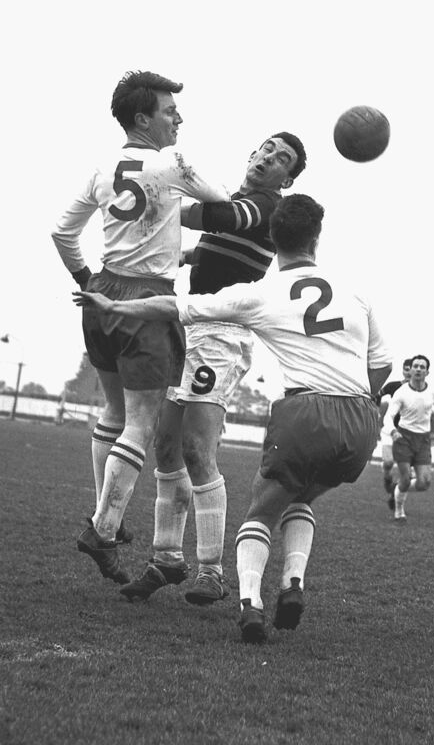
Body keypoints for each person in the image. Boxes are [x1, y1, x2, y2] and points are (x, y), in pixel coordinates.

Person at [73, 193, 393, 643]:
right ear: (316, 238)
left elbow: (172, 307)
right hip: (360, 417)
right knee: (288, 493)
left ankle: (240, 596)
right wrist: (362, 403)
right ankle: (261, 577)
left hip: (293, 402)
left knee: (250, 504)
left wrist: (114, 305)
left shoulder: (261, 292)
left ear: (272, 240)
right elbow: (382, 365)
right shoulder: (355, 291)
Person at [52, 70, 229, 585]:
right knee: (142, 423)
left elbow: (61, 232)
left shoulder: (101, 168)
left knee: (113, 412)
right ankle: (102, 530)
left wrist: (86, 279)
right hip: (147, 299)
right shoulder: (171, 163)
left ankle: (105, 514)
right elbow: (220, 197)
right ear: (142, 118)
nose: (179, 118)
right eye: (170, 111)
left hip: (102, 293)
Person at [120, 131, 307, 606]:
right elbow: (205, 252)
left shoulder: (266, 205)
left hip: (222, 335)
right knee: (166, 445)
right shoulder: (239, 199)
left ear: (287, 179)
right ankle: (166, 558)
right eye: (266, 148)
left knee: (196, 448)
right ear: (253, 153)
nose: (268, 157)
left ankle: (211, 570)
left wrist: (159, 201)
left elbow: (224, 218)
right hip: (191, 327)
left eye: (282, 158)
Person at [385, 355, 434, 522]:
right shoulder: (401, 393)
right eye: (415, 366)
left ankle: (396, 488)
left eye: (422, 367)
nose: (418, 369)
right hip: (403, 438)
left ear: (427, 372)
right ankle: (399, 512)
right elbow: (388, 416)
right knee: (405, 479)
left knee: (424, 483)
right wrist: (393, 431)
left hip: (423, 440)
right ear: (410, 370)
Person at [375, 358, 412, 501]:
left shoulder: (420, 392)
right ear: (403, 371)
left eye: (411, 370)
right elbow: (377, 395)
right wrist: (376, 412)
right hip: (390, 430)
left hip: (408, 433)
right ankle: (388, 480)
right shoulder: (394, 386)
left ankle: (395, 494)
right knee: (388, 462)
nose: (409, 373)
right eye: (406, 370)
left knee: (408, 472)